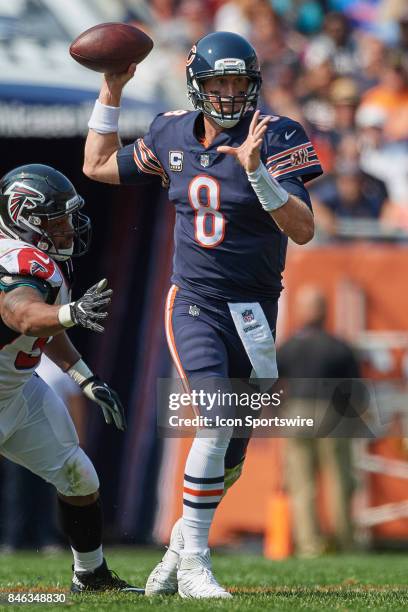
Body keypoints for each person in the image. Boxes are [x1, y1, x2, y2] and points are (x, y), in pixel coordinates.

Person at [83, 31, 322, 598]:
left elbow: (304, 229)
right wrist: (112, 90)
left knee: (231, 453)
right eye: (220, 82)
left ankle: (176, 552)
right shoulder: (169, 131)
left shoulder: (279, 133)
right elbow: (96, 166)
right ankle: (196, 564)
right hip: (195, 301)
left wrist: (258, 171)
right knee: (214, 419)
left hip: (256, 311)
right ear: (198, 85)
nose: (230, 93)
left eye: (240, 82)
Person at [0, 164, 143, 594]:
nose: (68, 229)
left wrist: (84, 377)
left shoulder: (38, 260)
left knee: (78, 475)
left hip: (15, 394)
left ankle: (91, 575)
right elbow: (21, 314)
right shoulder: (18, 261)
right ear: (25, 218)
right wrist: (70, 312)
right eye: (57, 221)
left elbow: (47, 329)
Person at [277, 286, 360, 556]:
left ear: (302, 312)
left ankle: (309, 545)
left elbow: (270, 384)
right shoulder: (340, 347)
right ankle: (345, 542)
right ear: (325, 311)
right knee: (339, 480)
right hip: (332, 413)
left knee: (302, 484)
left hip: (296, 412)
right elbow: (355, 390)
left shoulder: (288, 346)